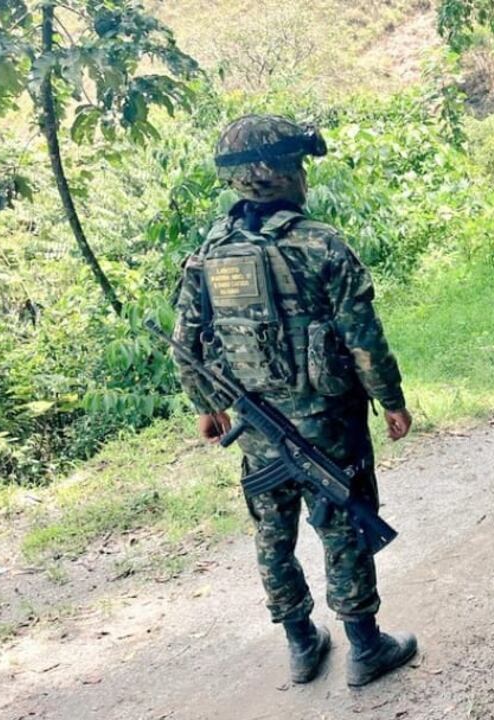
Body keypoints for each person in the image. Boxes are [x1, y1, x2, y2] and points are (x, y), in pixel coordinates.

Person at [169, 114, 417, 687]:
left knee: (272, 532)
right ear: (287, 172)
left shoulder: (207, 253)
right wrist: (391, 399)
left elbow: (186, 343)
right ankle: (364, 646)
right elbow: (362, 336)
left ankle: (302, 645)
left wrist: (207, 406)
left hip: (257, 428)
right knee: (343, 522)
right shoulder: (321, 244)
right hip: (328, 420)